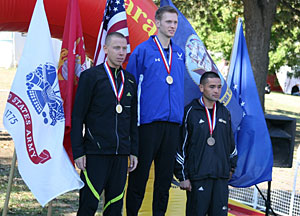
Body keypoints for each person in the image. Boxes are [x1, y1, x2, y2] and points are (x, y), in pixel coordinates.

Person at [125, 5, 185, 216]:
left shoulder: (179, 53)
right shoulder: (142, 51)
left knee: (164, 181)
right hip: (147, 124)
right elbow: (130, 88)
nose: (172, 26)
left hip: (172, 125)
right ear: (157, 23)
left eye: (175, 22)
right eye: (168, 22)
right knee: (139, 177)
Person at [70, 32, 138, 216]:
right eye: (117, 48)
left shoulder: (130, 80)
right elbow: (77, 117)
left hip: (121, 155)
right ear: (106, 49)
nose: (121, 52)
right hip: (95, 154)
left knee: (115, 207)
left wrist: (133, 151)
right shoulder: (90, 76)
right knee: (88, 205)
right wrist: (78, 151)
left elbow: (132, 119)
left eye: (124, 49)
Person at [174, 72, 237, 216]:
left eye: (219, 87)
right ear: (201, 88)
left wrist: (231, 167)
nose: (216, 91)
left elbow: (231, 144)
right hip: (198, 177)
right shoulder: (190, 112)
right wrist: (182, 176)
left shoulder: (224, 112)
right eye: (212, 87)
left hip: (220, 177)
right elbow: (180, 147)